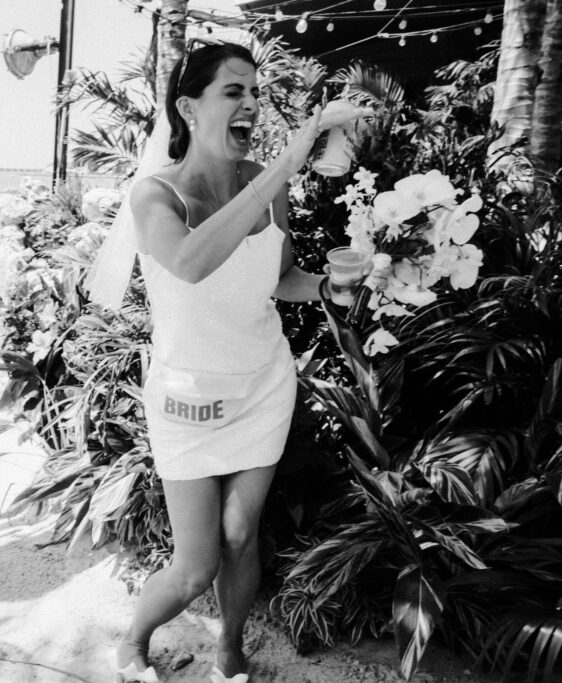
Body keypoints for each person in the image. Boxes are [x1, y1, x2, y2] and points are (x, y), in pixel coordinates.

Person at [112, 41, 371, 683]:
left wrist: (340, 286)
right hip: (187, 396)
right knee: (197, 564)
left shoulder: (266, 186)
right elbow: (196, 264)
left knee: (239, 535)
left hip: (262, 385)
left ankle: (231, 649)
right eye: (234, 92)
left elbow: (280, 278)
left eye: (256, 92)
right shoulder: (155, 198)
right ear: (188, 108)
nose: (251, 104)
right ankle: (134, 638)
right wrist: (285, 164)